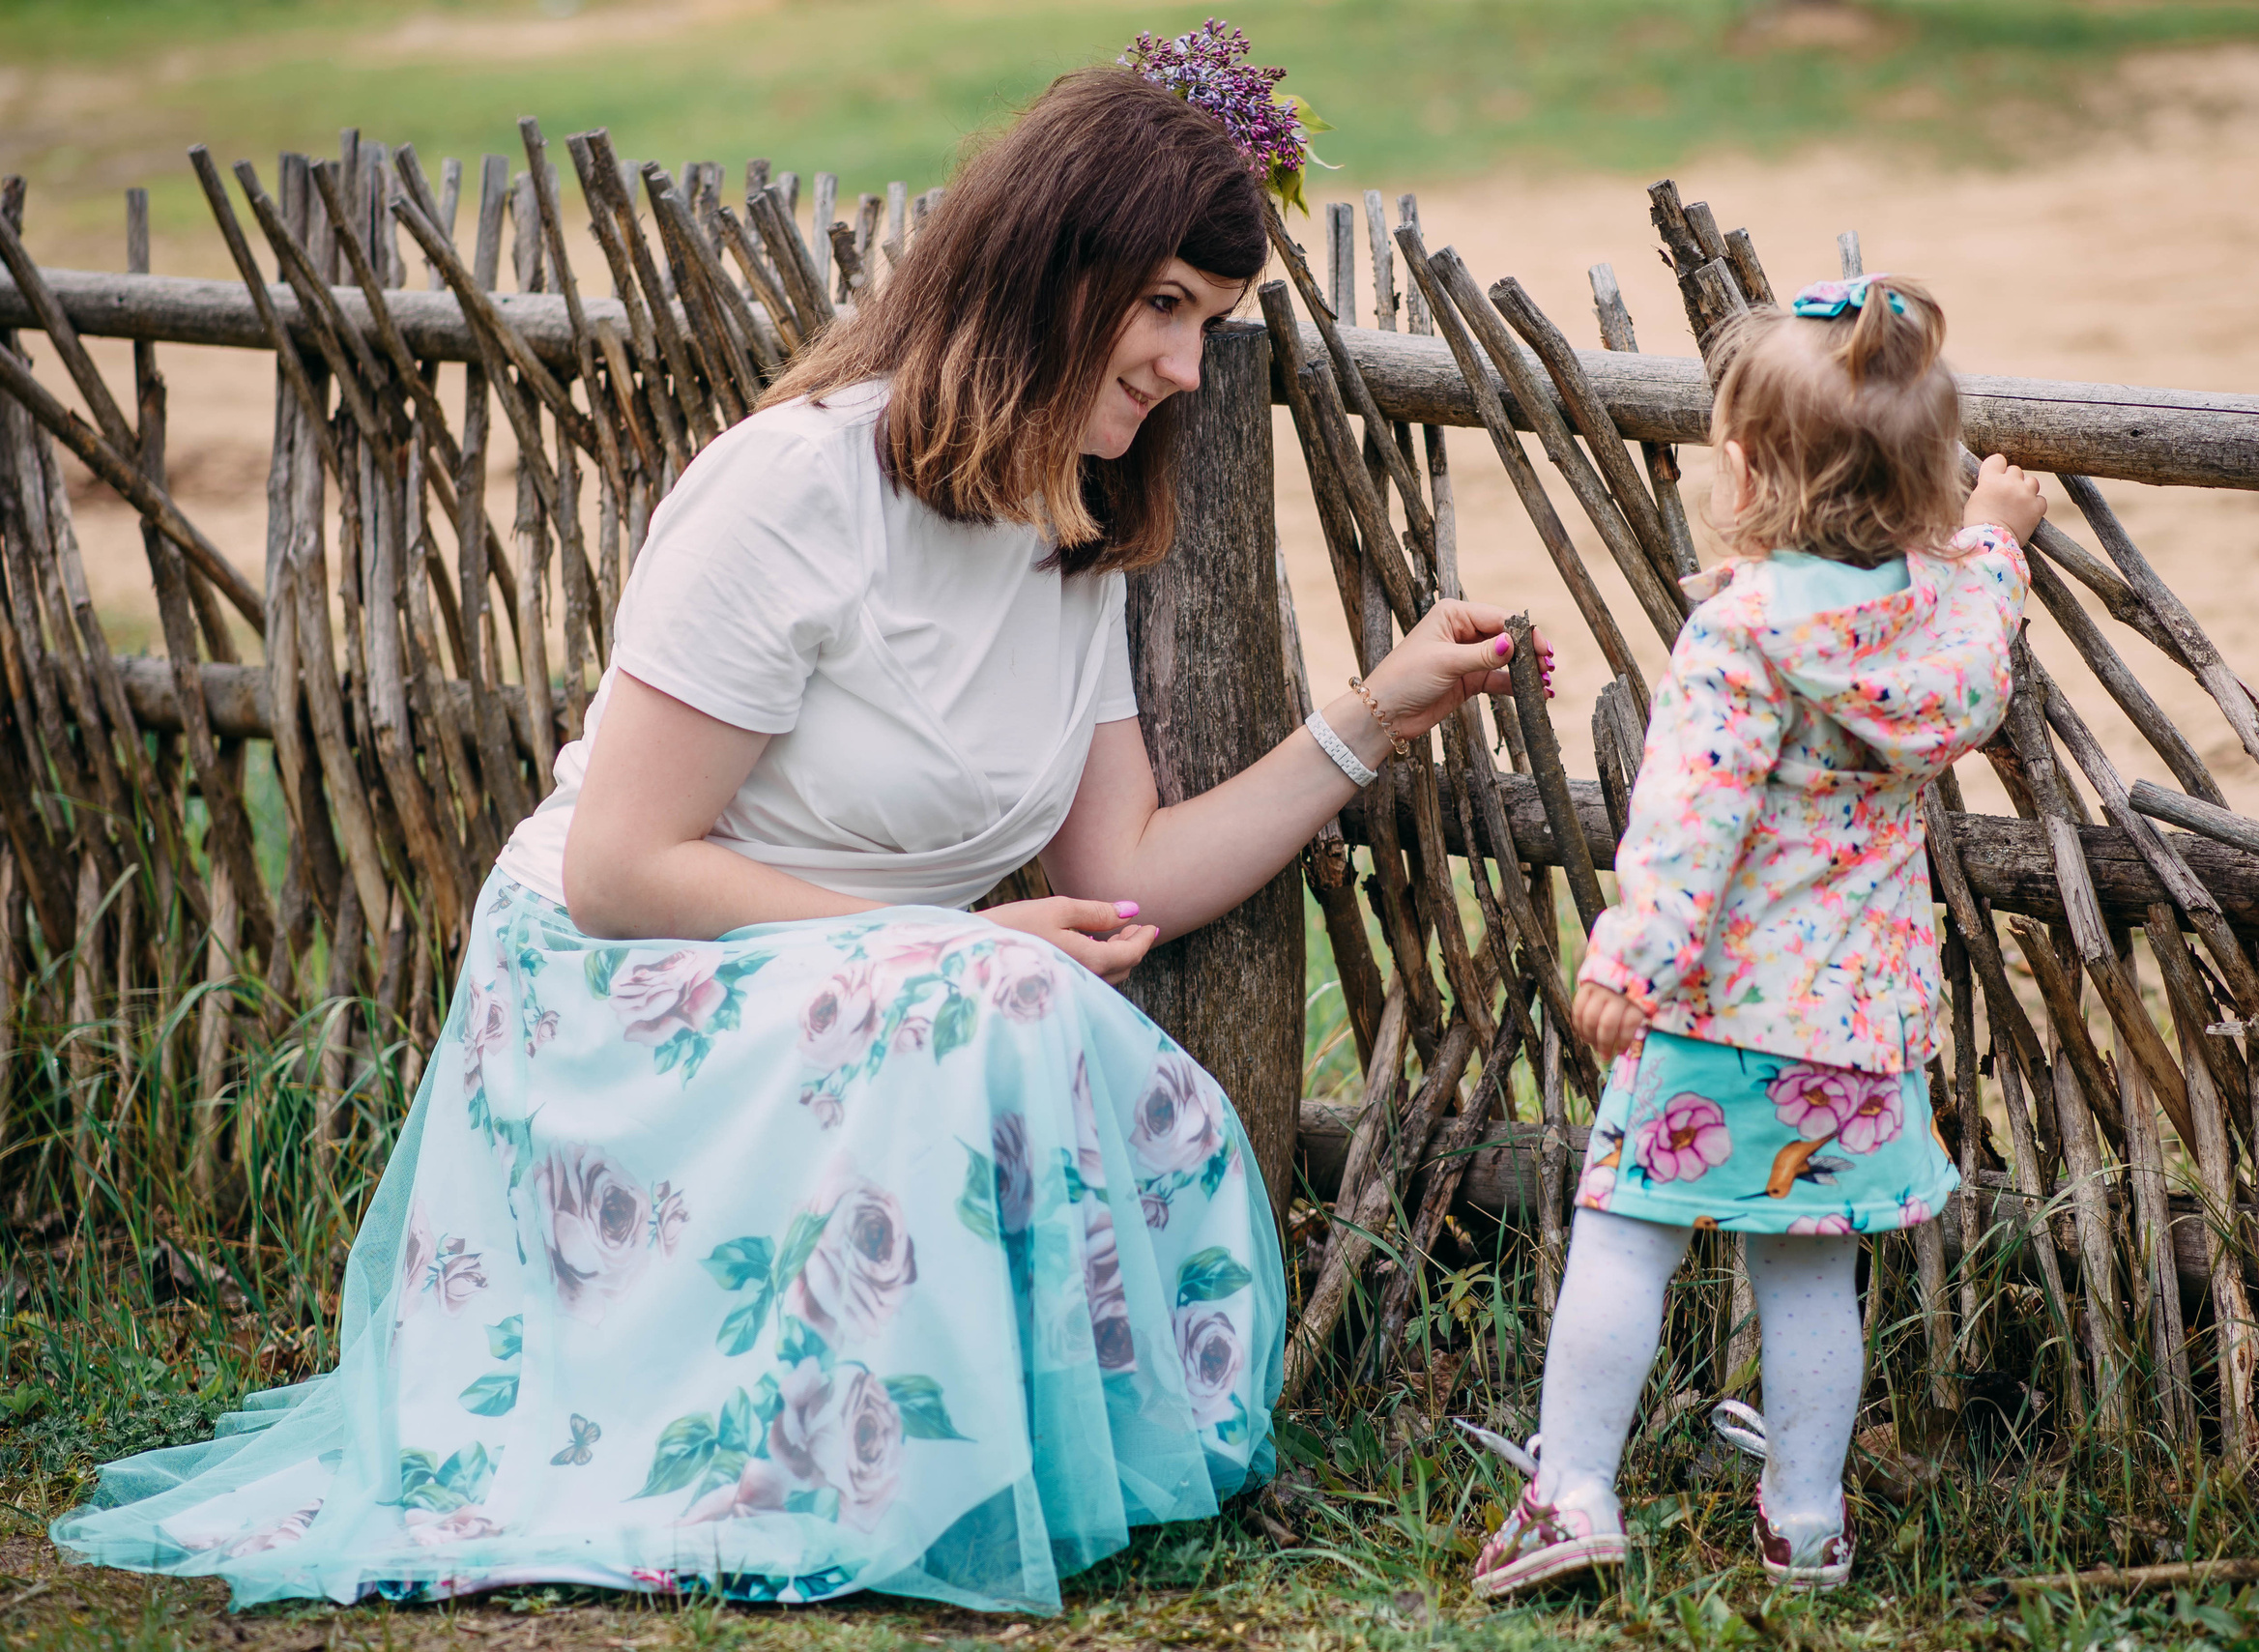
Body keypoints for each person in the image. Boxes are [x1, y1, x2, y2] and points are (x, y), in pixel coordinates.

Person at [53, 67, 1532, 1616]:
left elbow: (1127, 878)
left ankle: (967, 1452)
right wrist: (938, 942)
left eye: (1208, 324)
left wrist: (1374, 717)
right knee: (1006, 1002)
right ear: (1045, 261)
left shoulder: (1070, 530)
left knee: (1095, 1054)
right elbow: (625, 867)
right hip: (623, 990)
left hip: (868, 1000)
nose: (1180, 364)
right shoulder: (796, 488)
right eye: (1160, 304)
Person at [1469, 274, 2048, 1598]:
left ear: (1741, 471)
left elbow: (1688, 818)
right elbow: (1983, 614)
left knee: (1624, 1229)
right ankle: (1805, 1522)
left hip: (1715, 1007)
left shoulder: (1741, 632)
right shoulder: (1939, 620)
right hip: (1857, 1030)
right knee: (1808, 1274)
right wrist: (2000, 534)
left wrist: (1629, 961)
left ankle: (1569, 1493)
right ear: (1926, 484)